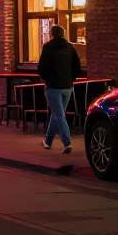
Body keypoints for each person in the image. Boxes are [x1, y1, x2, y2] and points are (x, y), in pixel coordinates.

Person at [37, 24, 81, 154]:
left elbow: (41, 67)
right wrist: (71, 78)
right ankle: (48, 141)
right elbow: (77, 67)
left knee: (59, 115)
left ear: (52, 34)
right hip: (67, 86)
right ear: (63, 33)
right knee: (57, 114)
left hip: (53, 86)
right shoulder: (70, 47)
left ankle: (67, 143)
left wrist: (45, 77)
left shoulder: (47, 47)